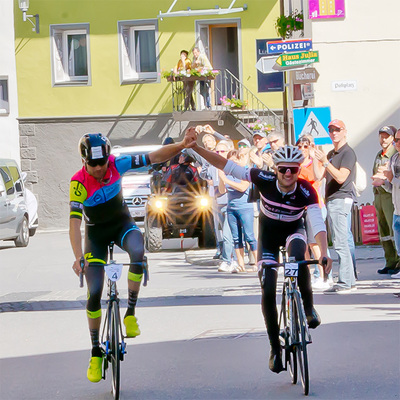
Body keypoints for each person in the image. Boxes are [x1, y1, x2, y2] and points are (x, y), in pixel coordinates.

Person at [187, 129, 332, 373]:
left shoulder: (306, 190)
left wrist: (324, 254)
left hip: (293, 232)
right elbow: (225, 164)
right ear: (275, 169)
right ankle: (275, 348)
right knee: (267, 290)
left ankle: (308, 309)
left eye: (293, 170)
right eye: (283, 169)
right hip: (268, 236)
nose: (288, 174)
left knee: (299, 257)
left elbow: (317, 224)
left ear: (299, 170)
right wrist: (196, 149)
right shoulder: (262, 179)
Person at [69, 132, 196, 382]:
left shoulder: (118, 163)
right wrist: (77, 257)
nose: (97, 169)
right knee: (94, 291)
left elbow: (154, 156)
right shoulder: (78, 182)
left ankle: (130, 315)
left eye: (101, 163)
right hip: (95, 236)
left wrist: (181, 145)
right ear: (84, 162)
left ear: (108, 159)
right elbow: (74, 223)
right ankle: (95, 351)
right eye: (91, 164)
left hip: (122, 225)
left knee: (138, 251)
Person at [314, 119, 357, 294]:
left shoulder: (348, 153)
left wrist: (325, 162)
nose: (334, 133)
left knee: (341, 242)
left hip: (341, 199)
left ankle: (346, 282)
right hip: (332, 200)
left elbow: (341, 178)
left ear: (345, 131)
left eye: (337, 129)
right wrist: (315, 158)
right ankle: (349, 281)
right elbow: (319, 177)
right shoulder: (332, 153)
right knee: (341, 241)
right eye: (331, 130)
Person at [296, 135, 328, 289]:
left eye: (305, 146)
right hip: (299, 207)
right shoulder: (295, 165)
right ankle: (306, 277)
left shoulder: (314, 163)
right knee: (304, 245)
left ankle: (323, 276)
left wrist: (315, 158)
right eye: (300, 146)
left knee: (314, 243)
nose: (302, 149)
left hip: (314, 206)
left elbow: (317, 177)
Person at [218, 149, 258, 272]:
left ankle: (258, 263)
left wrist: (226, 180)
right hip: (231, 208)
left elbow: (242, 187)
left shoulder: (244, 172)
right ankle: (241, 264)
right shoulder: (227, 174)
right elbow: (221, 190)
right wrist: (221, 178)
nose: (233, 163)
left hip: (245, 207)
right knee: (236, 238)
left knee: (249, 236)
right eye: (230, 161)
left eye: (235, 160)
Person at [371, 125, 399, 274]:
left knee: (393, 229)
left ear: (393, 138)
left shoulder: (394, 154)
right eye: (381, 136)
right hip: (379, 196)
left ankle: (398, 262)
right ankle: (390, 261)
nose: (383, 139)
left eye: (386, 136)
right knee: (384, 231)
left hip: (389, 196)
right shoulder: (379, 155)